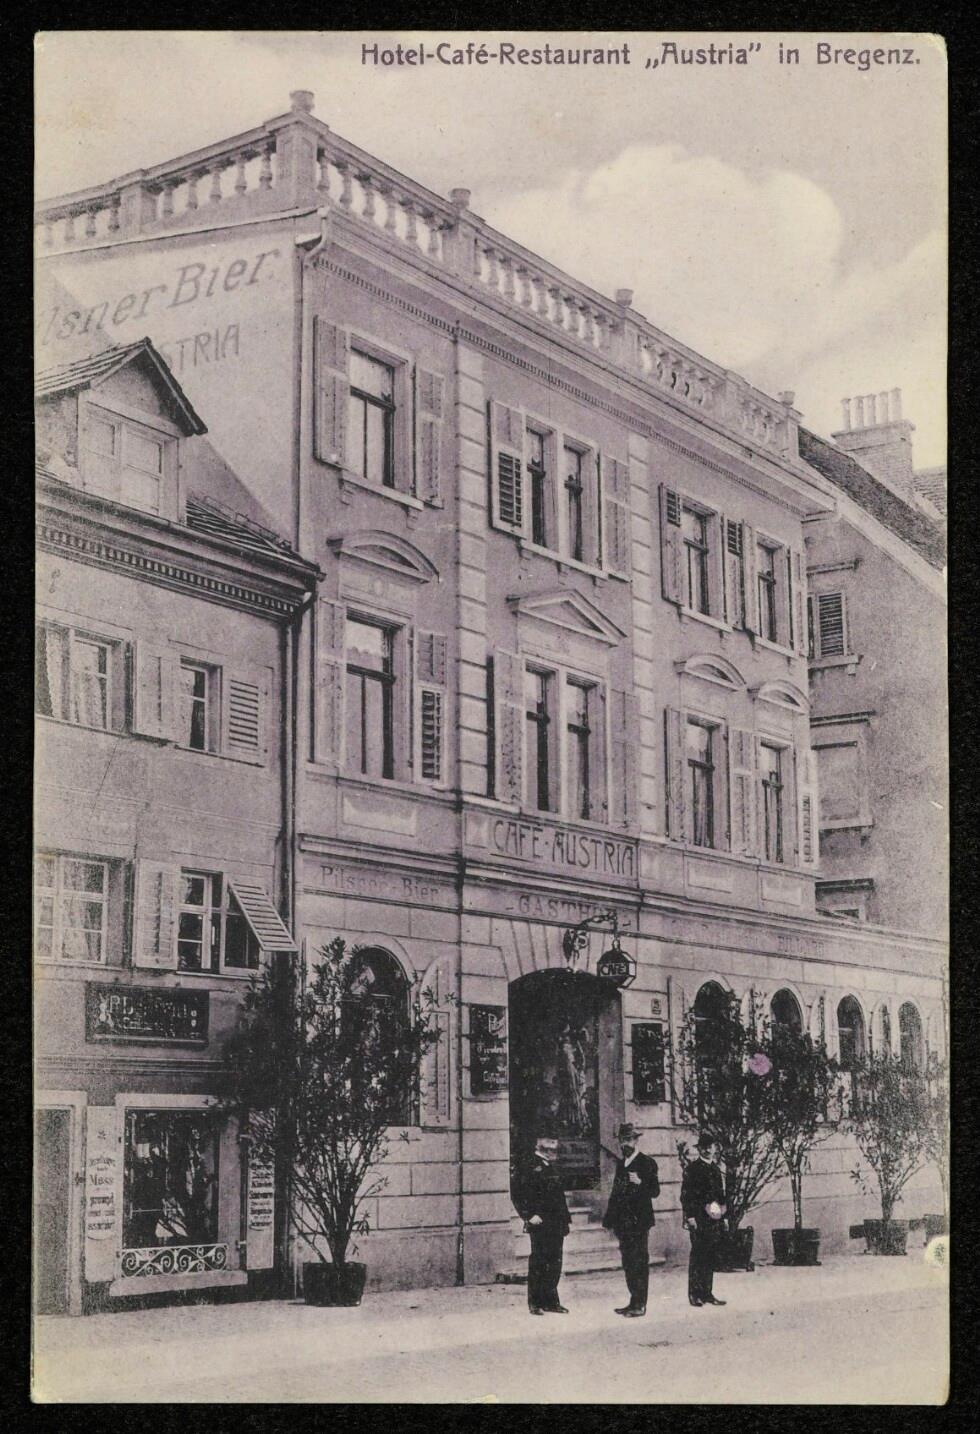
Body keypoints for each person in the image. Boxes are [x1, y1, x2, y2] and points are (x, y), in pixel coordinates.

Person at [602, 1121, 660, 1316]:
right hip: (623, 1223)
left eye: (628, 1140)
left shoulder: (647, 1163)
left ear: (636, 1141)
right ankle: (633, 1301)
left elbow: (655, 1191)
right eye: (622, 1140)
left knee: (639, 1262)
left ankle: (640, 1304)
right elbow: (616, 1193)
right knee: (628, 1262)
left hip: (639, 1222)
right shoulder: (622, 1164)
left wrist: (640, 1182)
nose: (624, 1144)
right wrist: (609, 1220)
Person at [513, 1135, 571, 1315]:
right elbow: (517, 1192)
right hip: (540, 1221)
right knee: (539, 1262)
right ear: (540, 1145)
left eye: (554, 1145)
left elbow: (558, 1196)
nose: (554, 1148)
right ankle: (535, 1303)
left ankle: (551, 1301)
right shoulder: (528, 1165)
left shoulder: (551, 1165)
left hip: (556, 1221)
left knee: (555, 1262)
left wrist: (565, 1220)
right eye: (550, 1143)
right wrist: (528, 1215)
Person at [681, 1134, 727, 1307]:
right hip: (698, 1218)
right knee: (698, 1255)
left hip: (713, 1218)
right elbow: (686, 1196)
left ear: (715, 1148)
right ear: (699, 1149)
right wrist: (690, 1217)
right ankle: (694, 1294)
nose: (707, 1150)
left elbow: (720, 1195)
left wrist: (724, 1216)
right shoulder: (692, 1169)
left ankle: (707, 1293)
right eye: (704, 1147)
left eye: (710, 1146)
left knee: (710, 1255)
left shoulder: (715, 1169)